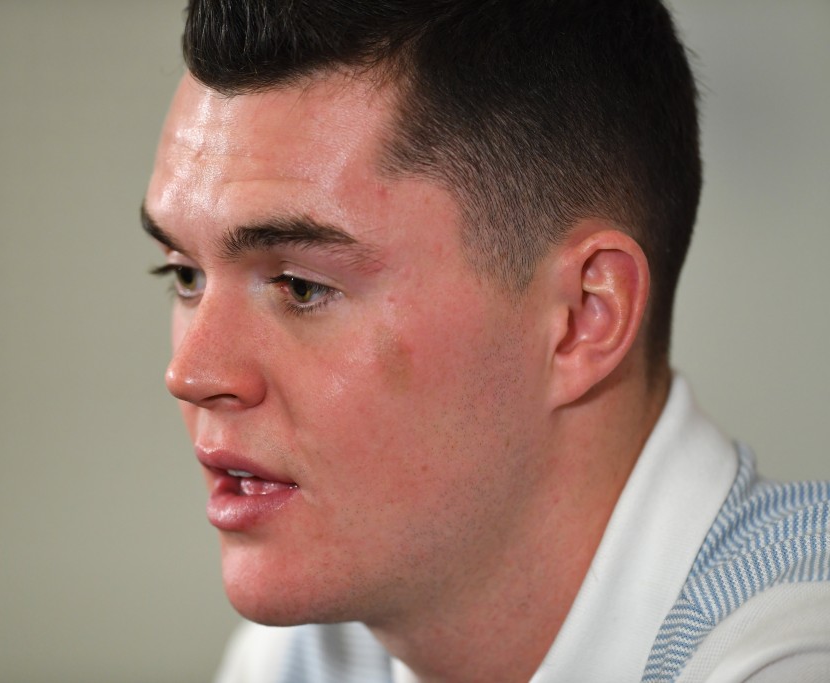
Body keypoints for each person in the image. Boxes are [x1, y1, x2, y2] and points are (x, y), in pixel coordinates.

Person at [141, 1, 830, 680]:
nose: (192, 371)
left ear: (582, 317)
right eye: (186, 274)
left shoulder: (796, 654)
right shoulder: (303, 659)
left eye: (300, 286)